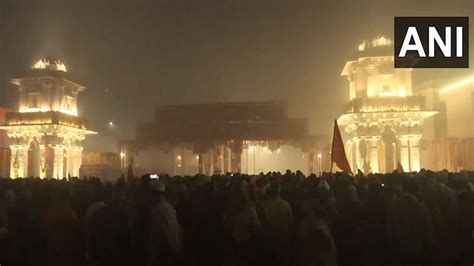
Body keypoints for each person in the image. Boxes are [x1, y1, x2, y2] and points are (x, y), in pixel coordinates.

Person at [257, 181, 293, 266]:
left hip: (267, 237)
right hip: (282, 237)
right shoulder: (285, 205)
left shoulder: (263, 205)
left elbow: (259, 222)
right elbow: (290, 220)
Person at [147, 180, 183, 266]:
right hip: (173, 249)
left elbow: (160, 234)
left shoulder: (157, 210)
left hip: (163, 252)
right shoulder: (170, 207)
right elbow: (179, 231)